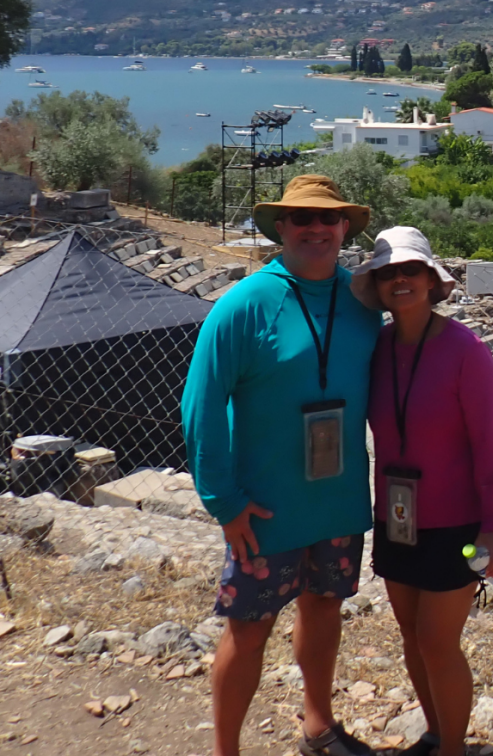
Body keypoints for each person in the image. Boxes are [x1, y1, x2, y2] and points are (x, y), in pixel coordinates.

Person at [182, 175, 384, 756]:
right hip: (265, 508)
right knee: (247, 633)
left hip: (338, 502)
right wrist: (223, 502)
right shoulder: (243, 305)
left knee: (324, 611)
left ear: (346, 226)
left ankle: (318, 727)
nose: (316, 229)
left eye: (328, 219)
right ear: (281, 228)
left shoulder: (363, 301)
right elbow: (201, 405)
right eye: (301, 219)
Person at [350, 227, 493, 756]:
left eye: (409, 270)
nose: (400, 280)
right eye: (389, 272)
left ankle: (452, 748)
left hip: (457, 526)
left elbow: (489, 445)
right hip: (397, 519)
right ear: (377, 284)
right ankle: (439, 734)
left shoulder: (467, 351)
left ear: (430, 279)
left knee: (439, 643)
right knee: (413, 640)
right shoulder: (376, 348)